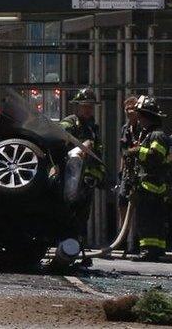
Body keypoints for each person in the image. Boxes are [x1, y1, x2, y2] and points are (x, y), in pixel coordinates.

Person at [126, 95, 172, 262]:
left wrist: (137, 151)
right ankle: (157, 249)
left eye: (140, 115)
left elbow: (156, 156)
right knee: (155, 220)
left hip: (151, 186)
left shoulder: (157, 136)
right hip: (151, 186)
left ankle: (148, 250)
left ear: (147, 116)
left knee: (147, 219)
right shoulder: (149, 134)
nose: (138, 119)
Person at [59, 88, 106, 251]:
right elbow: (59, 143)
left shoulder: (93, 127)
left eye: (90, 106)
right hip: (71, 179)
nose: (88, 109)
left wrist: (100, 176)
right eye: (85, 106)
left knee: (82, 217)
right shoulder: (69, 123)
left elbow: (97, 154)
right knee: (69, 215)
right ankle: (66, 248)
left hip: (87, 181)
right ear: (77, 106)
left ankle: (79, 248)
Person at [117, 95, 141, 256]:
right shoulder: (126, 129)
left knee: (138, 207)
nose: (129, 111)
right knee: (122, 201)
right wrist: (121, 171)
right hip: (128, 173)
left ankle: (136, 242)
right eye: (127, 109)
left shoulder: (143, 129)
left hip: (141, 173)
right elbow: (124, 153)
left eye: (132, 108)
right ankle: (123, 238)